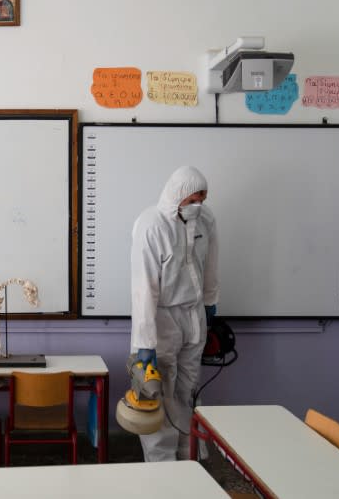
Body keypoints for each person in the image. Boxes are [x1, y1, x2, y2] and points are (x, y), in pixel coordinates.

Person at [130, 165, 219, 461]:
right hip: (162, 319)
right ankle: (161, 463)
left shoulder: (206, 221)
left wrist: (210, 302)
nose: (198, 206)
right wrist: (145, 343)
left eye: (203, 200)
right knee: (160, 395)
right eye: (193, 199)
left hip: (194, 317)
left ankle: (190, 455)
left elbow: (211, 265)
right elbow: (143, 287)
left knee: (189, 390)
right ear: (178, 195)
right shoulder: (152, 224)